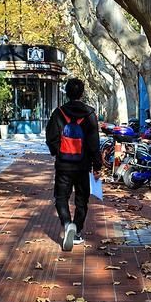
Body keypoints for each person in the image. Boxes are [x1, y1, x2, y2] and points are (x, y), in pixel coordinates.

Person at [46, 78, 102, 251]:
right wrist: (97, 165)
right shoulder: (90, 114)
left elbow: (51, 137)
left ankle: (67, 223)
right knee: (82, 199)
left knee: (61, 197)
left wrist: (59, 152)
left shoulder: (58, 113)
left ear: (67, 92)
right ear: (82, 93)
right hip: (83, 166)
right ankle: (76, 231)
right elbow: (94, 143)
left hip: (63, 165)